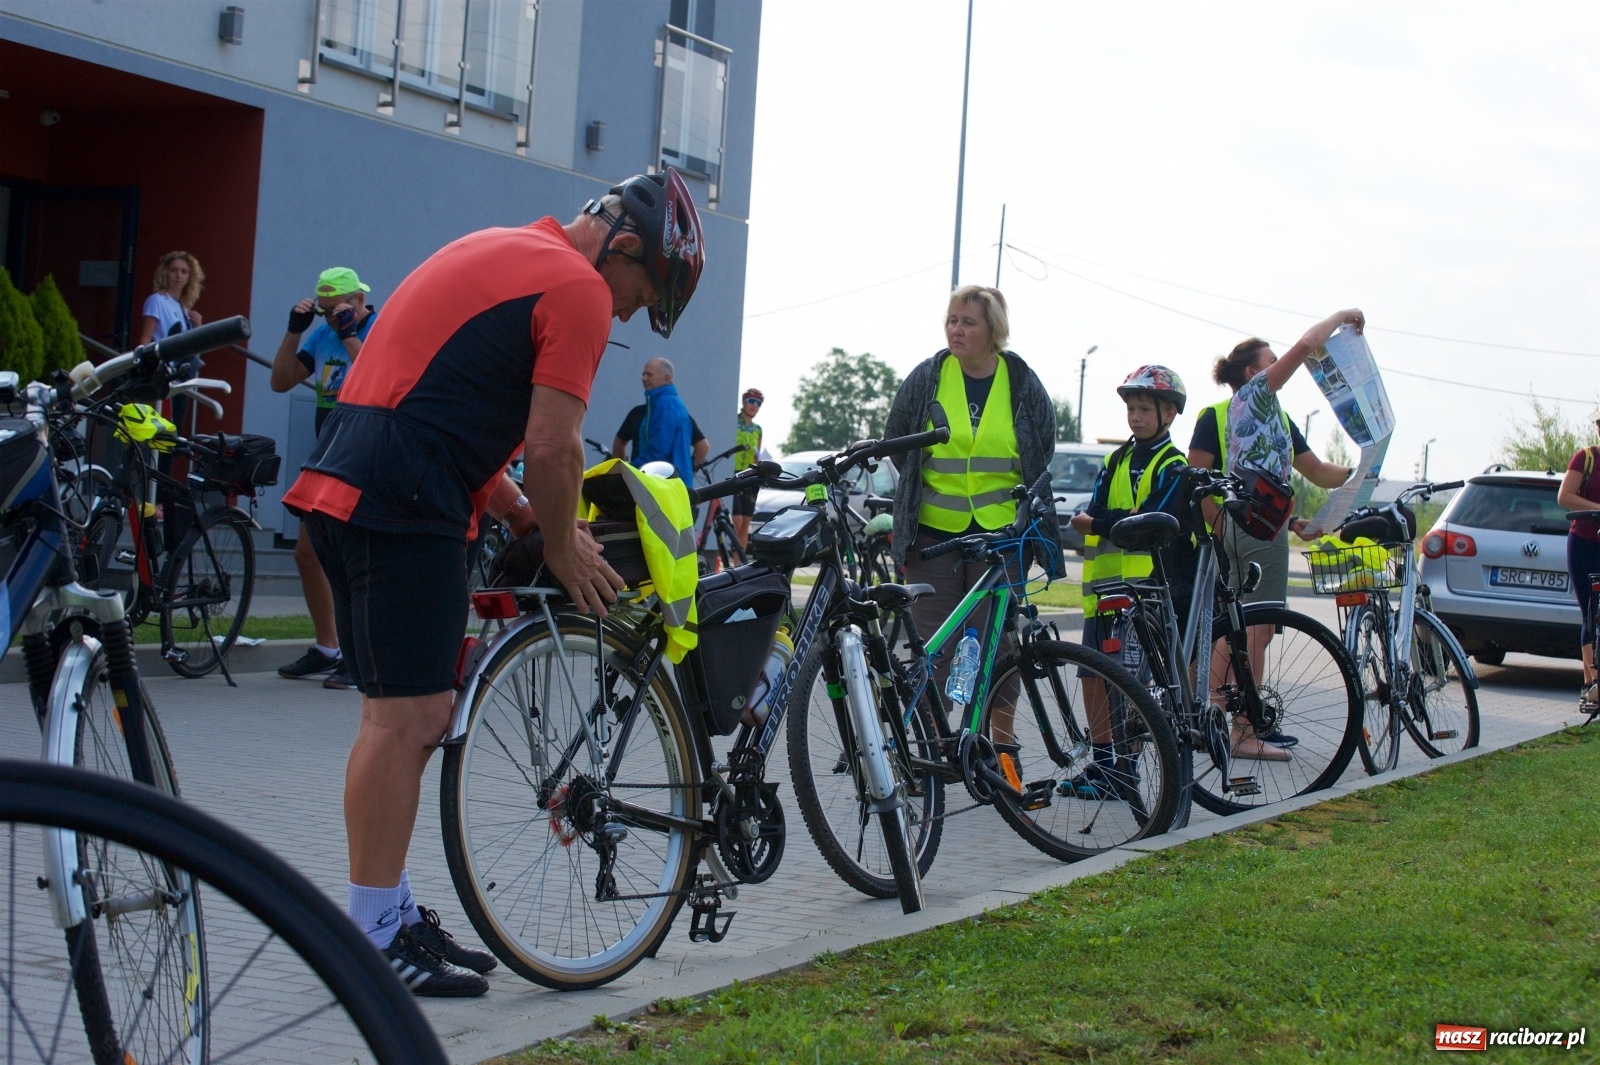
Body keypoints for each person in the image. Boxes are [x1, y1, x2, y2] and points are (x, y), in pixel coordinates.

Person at [280, 169, 705, 996]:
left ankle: (387, 912)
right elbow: (554, 446)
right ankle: (371, 939)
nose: (624, 315)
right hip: (406, 498)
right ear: (621, 246)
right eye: (642, 292)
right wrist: (559, 543)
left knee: (398, 718)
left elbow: (437, 396)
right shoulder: (577, 290)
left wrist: (512, 510)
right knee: (408, 722)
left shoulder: (502, 247)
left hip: (350, 480)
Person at [1186, 309, 1363, 760]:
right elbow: (1306, 347)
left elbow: (1318, 472)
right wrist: (1343, 317)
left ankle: (1212, 710)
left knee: (1253, 627)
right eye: (1271, 358)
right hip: (1253, 525)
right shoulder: (1256, 395)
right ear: (1253, 371)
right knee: (1256, 627)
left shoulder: (1271, 413)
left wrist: (1362, 471)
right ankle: (1230, 722)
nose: (1279, 363)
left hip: (1260, 522)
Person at [882, 285, 1058, 692]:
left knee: (1000, 654)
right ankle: (931, 750)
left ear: (993, 329)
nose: (956, 330)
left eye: (968, 322)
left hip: (1001, 541)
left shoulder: (1021, 381)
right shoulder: (928, 376)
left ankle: (1000, 750)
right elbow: (897, 437)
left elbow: (1041, 445)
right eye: (952, 320)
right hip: (932, 538)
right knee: (931, 651)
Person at [1067, 366, 1195, 797]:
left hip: (1143, 593)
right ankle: (1103, 765)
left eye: (1145, 409)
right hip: (1102, 591)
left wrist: (1098, 523)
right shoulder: (1115, 459)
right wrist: (1101, 521)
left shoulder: (1173, 465)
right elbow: (1103, 510)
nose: (1135, 416)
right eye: (1131, 408)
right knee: (1091, 676)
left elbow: (1151, 521)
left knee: (1131, 684)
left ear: (1170, 414)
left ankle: (1126, 769)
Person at [270, 267, 381, 691]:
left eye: (338, 308)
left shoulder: (378, 326)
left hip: (363, 451)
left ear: (357, 300)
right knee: (307, 553)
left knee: (352, 558)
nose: (331, 317)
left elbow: (379, 378)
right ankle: (327, 647)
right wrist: (294, 331)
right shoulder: (320, 336)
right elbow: (280, 381)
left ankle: (360, 658)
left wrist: (351, 333)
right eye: (323, 310)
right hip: (326, 451)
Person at [1556, 418, 1600, 706]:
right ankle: (1592, 682)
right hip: (1584, 541)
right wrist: (1598, 509)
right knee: (1589, 609)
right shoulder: (1587, 458)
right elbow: (1564, 496)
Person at [610, 357, 708, 480]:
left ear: (666, 378)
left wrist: (630, 472)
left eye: (649, 374)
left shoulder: (665, 406)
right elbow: (703, 445)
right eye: (643, 374)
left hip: (662, 483)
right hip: (672, 481)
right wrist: (689, 469)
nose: (643, 378)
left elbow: (658, 452)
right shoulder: (672, 404)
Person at [137, 250, 204, 345]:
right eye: (173, 270)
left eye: (184, 272)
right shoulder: (156, 300)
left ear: (189, 277)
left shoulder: (184, 308)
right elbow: (144, 342)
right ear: (165, 273)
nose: (178, 276)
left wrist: (197, 327)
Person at [730, 387, 764, 547]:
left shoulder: (758, 429)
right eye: (751, 401)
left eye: (758, 403)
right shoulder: (734, 422)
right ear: (744, 403)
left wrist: (758, 474)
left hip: (749, 476)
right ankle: (731, 553)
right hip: (733, 473)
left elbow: (757, 455)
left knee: (746, 521)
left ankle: (739, 561)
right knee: (737, 520)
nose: (754, 406)